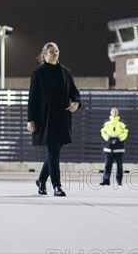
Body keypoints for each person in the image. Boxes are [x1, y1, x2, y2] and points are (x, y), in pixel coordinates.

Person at [27, 42, 81, 197]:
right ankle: (57, 185)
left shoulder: (66, 71)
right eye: (51, 51)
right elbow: (33, 98)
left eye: (56, 51)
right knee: (53, 150)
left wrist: (76, 102)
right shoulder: (38, 73)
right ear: (44, 54)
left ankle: (41, 180)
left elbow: (74, 90)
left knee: (55, 151)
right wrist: (31, 119)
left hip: (63, 117)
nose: (55, 53)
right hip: (46, 118)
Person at [100, 107, 128, 186]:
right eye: (113, 111)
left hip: (119, 147)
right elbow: (103, 132)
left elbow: (125, 133)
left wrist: (118, 139)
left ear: (118, 113)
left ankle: (119, 181)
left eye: (116, 111)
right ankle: (106, 180)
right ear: (110, 112)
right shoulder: (106, 122)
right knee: (107, 165)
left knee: (119, 165)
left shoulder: (122, 123)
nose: (114, 113)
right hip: (108, 147)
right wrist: (109, 139)